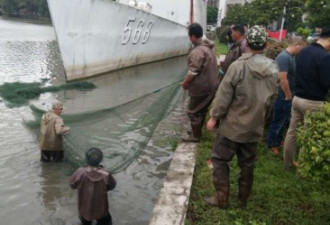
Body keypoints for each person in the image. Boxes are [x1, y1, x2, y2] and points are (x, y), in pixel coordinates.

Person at [204, 26, 279, 209]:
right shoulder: (273, 69)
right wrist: (263, 120)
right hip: (254, 127)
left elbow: (224, 96)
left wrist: (214, 117)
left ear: (247, 43)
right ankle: (243, 199)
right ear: (266, 44)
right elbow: (270, 101)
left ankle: (221, 199)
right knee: (247, 163)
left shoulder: (238, 66)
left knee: (219, 159)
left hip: (232, 127)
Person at [283, 26, 330, 169]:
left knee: (292, 132)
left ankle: (288, 163)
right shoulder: (325, 56)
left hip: (297, 99)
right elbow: (326, 82)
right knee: (308, 136)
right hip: (313, 102)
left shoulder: (304, 51)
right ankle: (302, 170)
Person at [266, 36, 306, 155]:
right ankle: (272, 143)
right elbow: (282, 79)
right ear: (296, 45)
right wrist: (288, 95)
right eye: (302, 48)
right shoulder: (284, 57)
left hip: (289, 95)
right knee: (278, 120)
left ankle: (278, 140)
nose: (301, 51)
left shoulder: (291, 57)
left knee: (284, 120)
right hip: (283, 95)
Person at [180, 23, 219, 142]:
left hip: (203, 88)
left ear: (192, 36)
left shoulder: (198, 51)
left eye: (189, 35)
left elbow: (193, 71)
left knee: (193, 111)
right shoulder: (208, 47)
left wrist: (185, 84)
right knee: (200, 110)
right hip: (211, 86)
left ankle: (195, 136)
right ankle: (196, 131)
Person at [70, 147, 116, 225]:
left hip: (84, 209)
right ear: (100, 159)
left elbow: (72, 185)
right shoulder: (106, 173)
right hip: (101, 209)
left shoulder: (79, 172)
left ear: (86, 159)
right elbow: (112, 186)